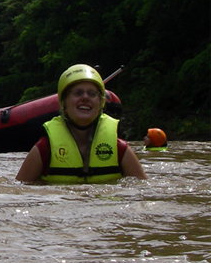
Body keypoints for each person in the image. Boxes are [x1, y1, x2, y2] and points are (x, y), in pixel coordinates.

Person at [16, 64, 147, 183]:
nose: (85, 97)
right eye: (77, 93)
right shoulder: (44, 149)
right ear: (64, 103)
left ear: (100, 104)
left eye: (92, 94)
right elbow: (20, 190)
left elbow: (142, 189)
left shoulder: (120, 148)